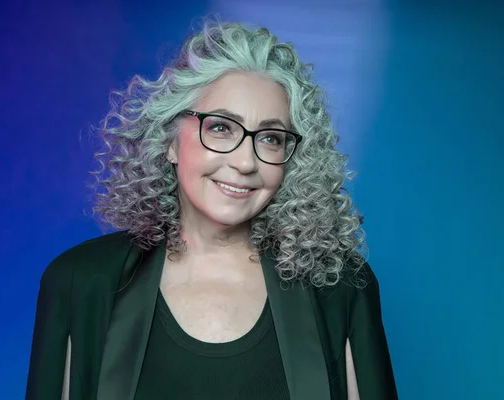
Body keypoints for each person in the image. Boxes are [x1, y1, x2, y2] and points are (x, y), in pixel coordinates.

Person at [25, 18, 398, 400]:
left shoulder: (341, 287)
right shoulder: (80, 281)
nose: (245, 162)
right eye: (221, 128)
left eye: (270, 138)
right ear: (169, 140)